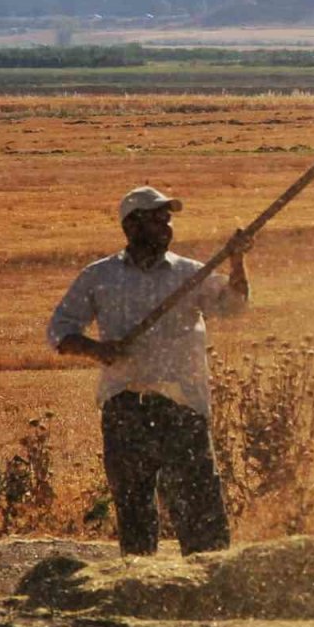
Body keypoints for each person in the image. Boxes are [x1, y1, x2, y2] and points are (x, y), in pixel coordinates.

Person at [48, 185, 251, 556]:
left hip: (182, 406)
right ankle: (139, 580)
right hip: (126, 406)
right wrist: (98, 350)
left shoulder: (190, 274)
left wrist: (237, 261)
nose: (166, 227)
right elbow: (60, 331)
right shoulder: (100, 277)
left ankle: (210, 579)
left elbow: (233, 307)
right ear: (131, 226)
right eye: (156, 219)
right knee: (134, 510)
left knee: (201, 511)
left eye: (167, 219)